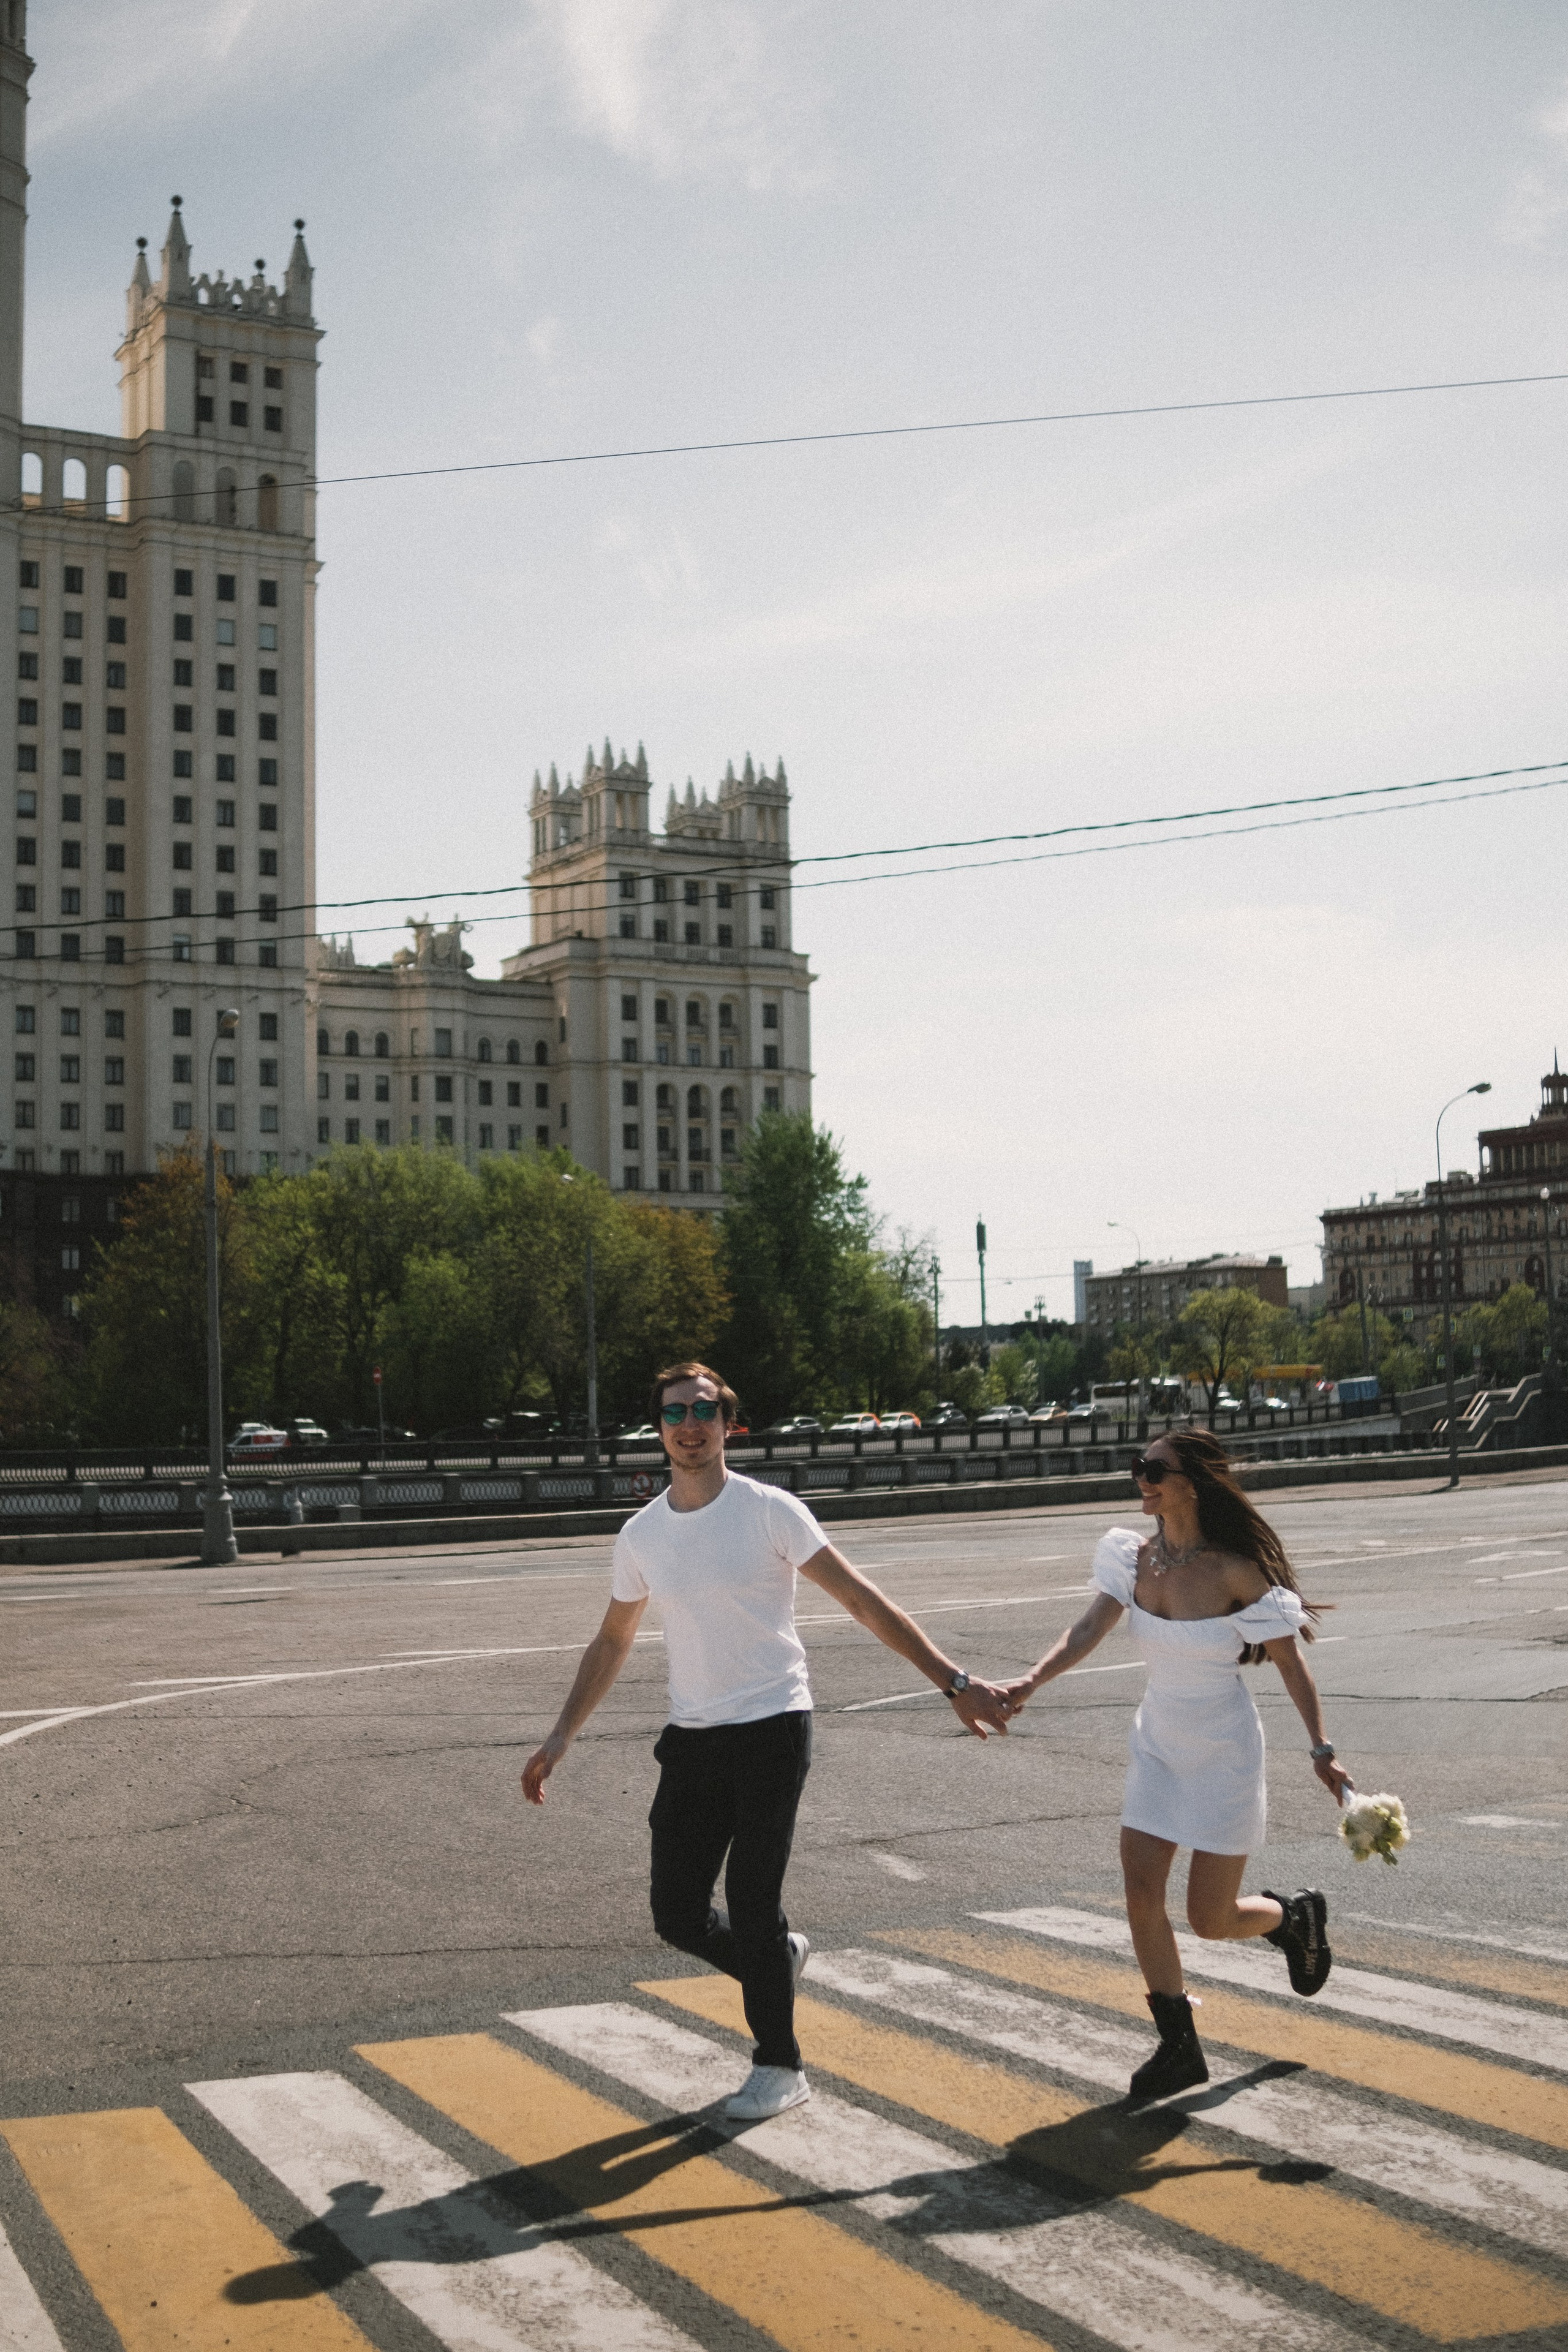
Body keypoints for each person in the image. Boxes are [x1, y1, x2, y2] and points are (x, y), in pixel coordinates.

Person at [521, 1361, 1012, 2120]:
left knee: (753, 1899)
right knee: (676, 1914)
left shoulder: (769, 1511)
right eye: (674, 1412)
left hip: (774, 1728)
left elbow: (860, 1601)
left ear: (728, 1421)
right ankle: (777, 1963)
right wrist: (560, 1735)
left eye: (704, 1410)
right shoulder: (641, 1534)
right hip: (692, 1738)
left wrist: (953, 1682)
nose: (690, 1424)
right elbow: (613, 1639)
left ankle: (779, 2066)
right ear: (657, 1429)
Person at [1001, 1425, 1352, 2101]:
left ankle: (1292, 1918)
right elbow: (1085, 1630)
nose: (1141, 1478)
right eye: (1138, 1466)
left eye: (1153, 1468)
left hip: (1223, 1754)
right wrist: (1028, 1682)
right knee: (1139, 1892)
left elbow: (1290, 1661)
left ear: (1191, 1482)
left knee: (1209, 1919)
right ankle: (1177, 2042)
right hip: (1158, 1744)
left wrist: (1321, 1750)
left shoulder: (1231, 1569)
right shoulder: (1131, 1559)